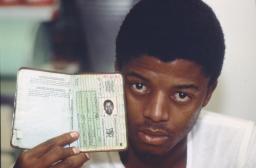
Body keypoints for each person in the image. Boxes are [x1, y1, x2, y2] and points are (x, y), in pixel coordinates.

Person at [13, 0, 256, 168]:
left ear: (208, 94)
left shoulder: (242, 150)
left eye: (181, 95)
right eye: (139, 86)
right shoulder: (72, 158)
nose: (155, 113)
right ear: (116, 74)